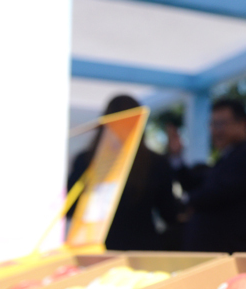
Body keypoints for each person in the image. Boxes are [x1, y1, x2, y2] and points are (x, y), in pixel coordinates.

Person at [67, 95, 180, 250]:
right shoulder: (156, 162)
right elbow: (169, 214)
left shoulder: (86, 160)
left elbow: (71, 210)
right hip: (141, 250)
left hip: (96, 248)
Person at [172, 98, 246, 253]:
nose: (215, 130)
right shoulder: (227, 156)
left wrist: (187, 200)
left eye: (221, 124)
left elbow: (217, 192)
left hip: (227, 250)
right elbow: (198, 184)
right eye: (212, 124)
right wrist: (177, 158)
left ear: (242, 124)